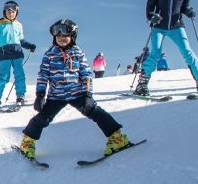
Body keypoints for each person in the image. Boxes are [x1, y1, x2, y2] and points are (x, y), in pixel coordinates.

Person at [19, 19, 131, 159]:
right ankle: (27, 142)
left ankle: (117, 138)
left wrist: (87, 94)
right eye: (58, 36)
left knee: (95, 112)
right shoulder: (49, 54)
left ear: (72, 37)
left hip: (77, 92)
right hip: (56, 95)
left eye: (65, 35)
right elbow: (43, 74)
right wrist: (40, 94)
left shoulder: (78, 53)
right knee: (42, 118)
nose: (61, 38)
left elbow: (86, 74)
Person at [133, 0, 198, 96]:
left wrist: (189, 11)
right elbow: (150, 5)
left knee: (187, 52)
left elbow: (184, 6)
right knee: (155, 53)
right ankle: (142, 84)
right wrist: (151, 16)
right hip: (159, 26)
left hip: (176, 26)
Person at [0, 0, 37, 107]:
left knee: (19, 74)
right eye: (8, 11)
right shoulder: (0, 24)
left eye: (13, 12)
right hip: (5, 53)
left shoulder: (19, 25)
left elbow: (21, 40)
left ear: (16, 13)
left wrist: (29, 45)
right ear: (4, 12)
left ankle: (20, 95)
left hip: (17, 52)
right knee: (4, 76)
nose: (11, 13)